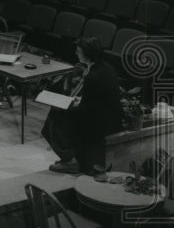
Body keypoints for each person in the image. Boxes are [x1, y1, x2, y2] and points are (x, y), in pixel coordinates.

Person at [42, 37, 124, 175]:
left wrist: (70, 105)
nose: (76, 53)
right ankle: (70, 157)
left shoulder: (93, 76)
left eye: (78, 51)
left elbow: (86, 111)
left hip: (102, 123)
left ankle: (70, 161)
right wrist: (80, 100)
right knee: (61, 110)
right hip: (110, 117)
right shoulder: (105, 67)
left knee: (55, 116)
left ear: (88, 54)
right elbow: (97, 99)